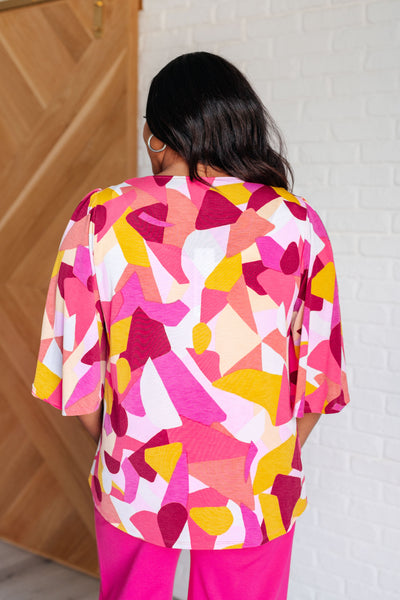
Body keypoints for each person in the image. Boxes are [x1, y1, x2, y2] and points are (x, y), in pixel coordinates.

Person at [32, 52, 350, 600]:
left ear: (156, 135)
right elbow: (318, 382)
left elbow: (79, 386)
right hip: (257, 480)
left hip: (138, 472)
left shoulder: (101, 216)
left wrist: (125, 443)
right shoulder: (297, 222)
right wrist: (271, 454)